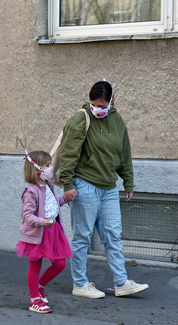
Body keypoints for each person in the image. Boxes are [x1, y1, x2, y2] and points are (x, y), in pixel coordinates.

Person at [59, 80, 149, 298]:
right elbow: (68, 153)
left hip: (109, 188)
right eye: (95, 104)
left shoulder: (117, 120)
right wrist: (68, 183)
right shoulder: (81, 119)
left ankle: (121, 283)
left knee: (113, 235)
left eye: (102, 105)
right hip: (84, 185)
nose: (98, 109)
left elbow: (124, 152)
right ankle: (80, 284)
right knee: (82, 237)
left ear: (112, 102)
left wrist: (128, 181)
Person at [15, 150, 73, 313]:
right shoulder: (31, 192)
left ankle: (40, 286)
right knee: (35, 266)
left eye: (49, 164)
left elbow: (51, 205)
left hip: (53, 231)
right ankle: (34, 300)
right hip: (38, 233)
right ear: (36, 169)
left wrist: (65, 198)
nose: (50, 167)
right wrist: (43, 222)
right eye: (46, 165)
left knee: (60, 263)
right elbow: (28, 216)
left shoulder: (48, 185)